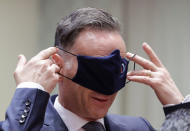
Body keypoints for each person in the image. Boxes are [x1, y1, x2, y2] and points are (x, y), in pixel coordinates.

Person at [0, 7, 188, 131]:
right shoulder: (22, 126)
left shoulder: (138, 127)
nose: (107, 86)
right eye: (96, 68)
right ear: (58, 65)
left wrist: (179, 110)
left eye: (117, 69)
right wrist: (30, 92)